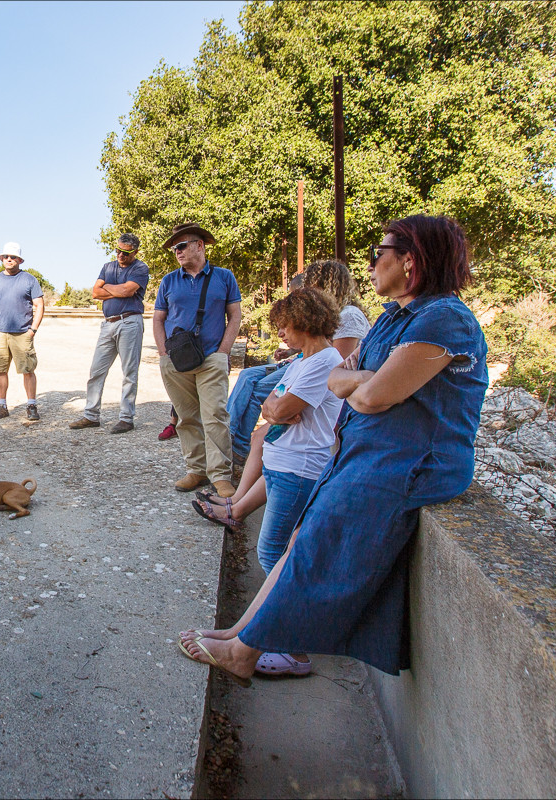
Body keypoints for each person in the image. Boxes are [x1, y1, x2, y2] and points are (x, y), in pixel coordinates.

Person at [177, 214, 488, 685]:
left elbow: (366, 395)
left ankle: (244, 652)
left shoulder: (444, 318)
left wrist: (364, 382)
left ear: (409, 260)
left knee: (313, 548)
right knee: (299, 543)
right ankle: (240, 633)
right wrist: (365, 380)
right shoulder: (393, 321)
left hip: (409, 466)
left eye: (377, 254)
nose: (370, 265)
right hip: (368, 457)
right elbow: (338, 378)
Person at [191, 288, 344, 676]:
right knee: (277, 554)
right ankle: (263, 634)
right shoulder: (303, 361)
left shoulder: (323, 362)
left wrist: (279, 409)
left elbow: (282, 407)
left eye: (285, 327)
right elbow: (271, 405)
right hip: (283, 465)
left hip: (299, 470)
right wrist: (278, 409)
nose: (281, 335)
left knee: (275, 555)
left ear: (305, 322)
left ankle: (294, 649)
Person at [227, 260, 370, 463]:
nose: (306, 291)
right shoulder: (337, 315)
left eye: (311, 285)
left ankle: (236, 446)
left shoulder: (349, 316)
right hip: (301, 362)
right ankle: (233, 440)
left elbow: (335, 364)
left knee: (257, 389)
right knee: (247, 375)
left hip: (321, 383)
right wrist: (291, 354)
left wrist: (284, 406)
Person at [153, 223, 242, 496]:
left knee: (215, 415)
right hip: (176, 360)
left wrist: (223, 352)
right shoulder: (168, 280)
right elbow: (158, 319)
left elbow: (235, 315)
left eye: (181, 246)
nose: (176, 252)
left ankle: (221, 476)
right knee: (186, 418)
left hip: (211, 358)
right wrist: (163, 354)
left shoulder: (224, 277)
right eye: (174, 248)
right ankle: (197, 470)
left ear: (199, 245)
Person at [69, 233, 150, 433]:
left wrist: (110, 287)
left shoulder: (140, 268)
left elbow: (127, 292)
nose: (120, 255)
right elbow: (95, 293)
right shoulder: (108, 266)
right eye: (118, 250)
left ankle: (126, 418)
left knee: (129, 372)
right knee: (96, 370)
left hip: (130, 321)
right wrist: (119, 289)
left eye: (125, 252)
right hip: (108, 323)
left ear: (135, 252)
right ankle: (91, 415)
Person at [0, 242, 44, 421]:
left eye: (13, 257)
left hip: (23, 333)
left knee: (28, 370)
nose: (9, 260)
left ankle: (31, 405)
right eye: (6, 257)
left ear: (19, 260)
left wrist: (33, 329)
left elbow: (39, 305)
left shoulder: (29, 279)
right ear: (2, 259)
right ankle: (1, 406)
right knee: (0, 370)